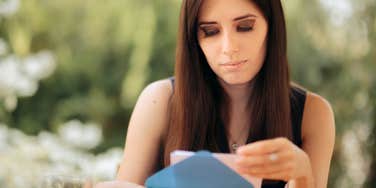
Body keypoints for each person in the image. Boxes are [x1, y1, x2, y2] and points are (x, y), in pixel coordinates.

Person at [96, 0, 335, 187]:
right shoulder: (159, 100)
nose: (229, 48)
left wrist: (303, 174)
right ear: (194, 40)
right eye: (210, 31)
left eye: (244, 27)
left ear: (272, 27)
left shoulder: (313, 114)